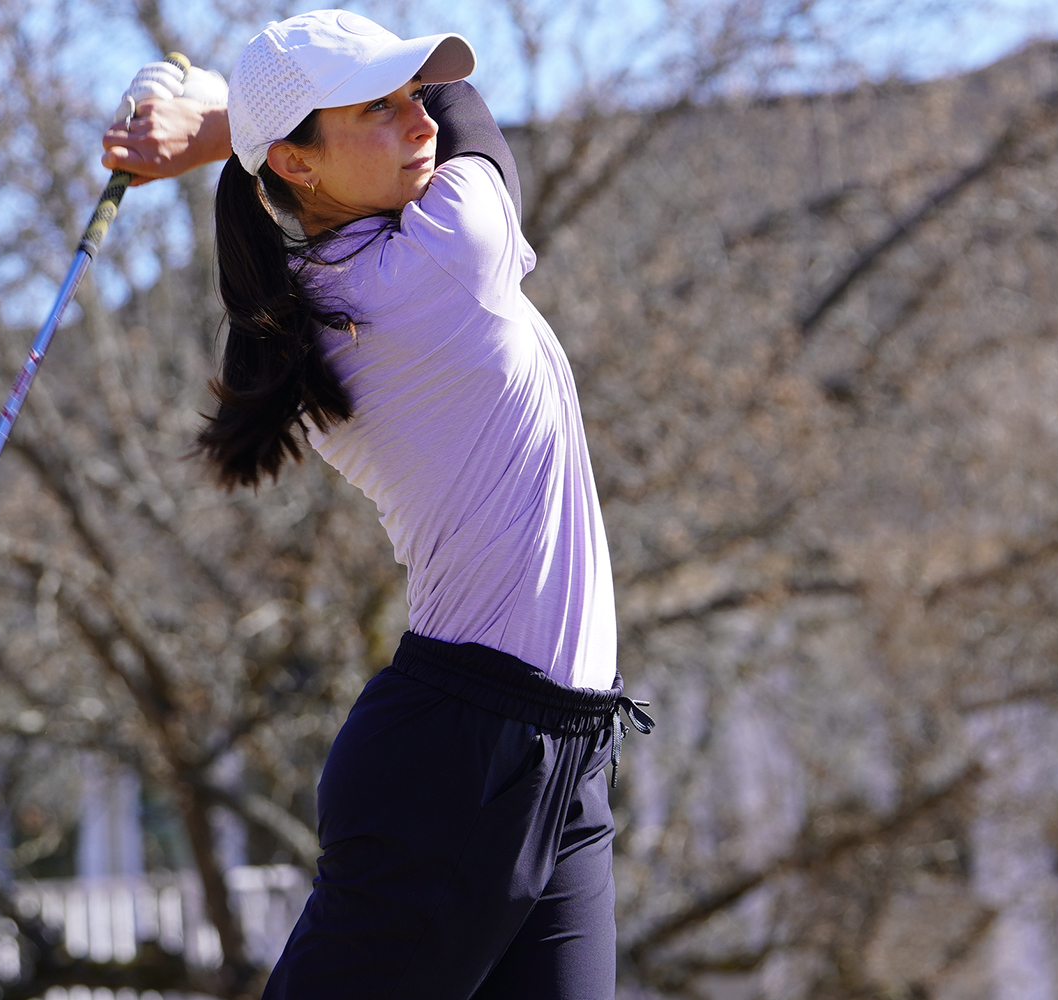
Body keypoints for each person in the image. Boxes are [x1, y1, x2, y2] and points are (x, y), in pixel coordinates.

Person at [101, 11, 651, 999]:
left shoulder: (316, 293)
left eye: (406, 95)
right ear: (301, 168)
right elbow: (469, 109)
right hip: (464, 758)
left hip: (558, 748)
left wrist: (237, 131)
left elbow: (432, 114)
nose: (418, 122)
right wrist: (229, 124)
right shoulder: (444, 257)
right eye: (377, 107)